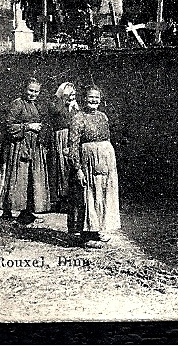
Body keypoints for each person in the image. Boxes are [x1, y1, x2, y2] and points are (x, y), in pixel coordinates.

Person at [0, 77, 53, 226]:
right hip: (18, 147)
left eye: (36, 92)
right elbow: (9, 126)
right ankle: (8, 210)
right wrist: (28, 127)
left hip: (32, 147)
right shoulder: (17, 104)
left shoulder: (34, 105)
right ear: (24, 89)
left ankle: (25, 212)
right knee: (16, 177)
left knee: (29, 178)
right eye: (30, 90)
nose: (33, 94)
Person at [69, 86, 120, 247]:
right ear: (84, 98)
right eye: (90, 97)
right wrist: (78, 169)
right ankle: (86, 235)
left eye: (96, 97)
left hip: (105, 162)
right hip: (88, 163)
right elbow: (73, 144)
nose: (93, 100)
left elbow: (107, 139)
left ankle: (97, 229)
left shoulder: (103, 117)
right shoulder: (78, 117)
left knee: (102, 194)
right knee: (88, 194)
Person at [49, 82, 85, 242]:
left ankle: (65, 199)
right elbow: (57, 115)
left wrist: (74, 107)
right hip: (61, 136)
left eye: (73, 95)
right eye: (68, 94)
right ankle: (59, 199)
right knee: (60, 167)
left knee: (69, 168)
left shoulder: (74, 106)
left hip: (70, 136)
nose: (71, 97)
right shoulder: (56, 104)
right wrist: (67, 106)